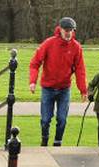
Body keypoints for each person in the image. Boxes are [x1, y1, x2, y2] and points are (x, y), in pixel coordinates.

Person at [29, 17, 88, 147]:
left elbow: (80, 70)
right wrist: (32, 81)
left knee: (62, 119)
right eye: (66, 30)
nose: (68, 33)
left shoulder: (76, 47)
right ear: (60, 29)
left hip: (64, 89)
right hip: (48, 88)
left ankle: (57, 143)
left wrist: (83, 90)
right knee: (45, 120)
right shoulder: (49, 43)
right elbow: (35, 63)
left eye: (71, 30)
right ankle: (44, 140)